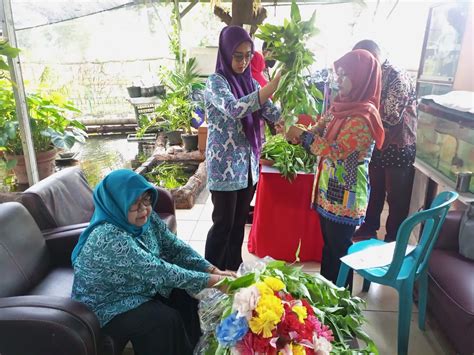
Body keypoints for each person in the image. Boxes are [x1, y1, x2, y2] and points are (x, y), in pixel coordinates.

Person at [71, 169, 234, 355]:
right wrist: (214, 282)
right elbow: (159, 271)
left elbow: (174, 246)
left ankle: (195, 350)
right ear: (117, 203)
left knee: (184, 296)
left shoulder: (144, 219)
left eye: (146, 199)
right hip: (107, 303)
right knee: (163, 321)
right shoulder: (109, 237)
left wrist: (212, 269)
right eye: (133, 204)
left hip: (132, 285)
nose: (144, 209)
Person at [286, 49, 384, 287]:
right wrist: (295, 131)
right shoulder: (339, 106)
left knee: (340, 250)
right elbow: (318, 129)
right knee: (329, 247)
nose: (338, 80)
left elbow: (337, 150)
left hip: (347, 198)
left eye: (344, 75)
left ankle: (340, 303)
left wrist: (305, 138)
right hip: (329, 190)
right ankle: (327, 294)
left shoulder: (364, 117)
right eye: (337, 74)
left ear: (360, 77)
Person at [205, 26, 281, 271]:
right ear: (226, 53)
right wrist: (268, 88)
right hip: (224, 168)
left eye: (248, 55)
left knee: (238, 224)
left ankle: (232, 270)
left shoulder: (249, 82)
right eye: (238, 55)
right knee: (223, 225)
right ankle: (211, 276)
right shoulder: (216, 82)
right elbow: (235, 108)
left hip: (247, 167)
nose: (244, 61)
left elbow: (271, 111)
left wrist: (285, 94)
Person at [352, 40, 418, 243]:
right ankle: (369, 228)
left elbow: (390, 115)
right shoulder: (372, 74)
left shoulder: (396, 75)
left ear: (373, 56)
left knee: (396, 197)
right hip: (378, 140)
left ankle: (393, 241)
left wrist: (360, 113)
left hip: (399, 144)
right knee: (374, 189)